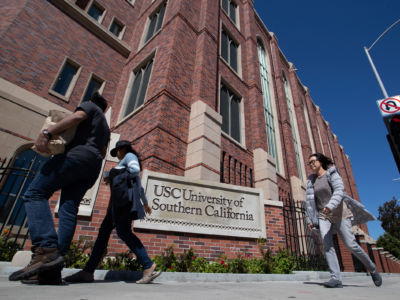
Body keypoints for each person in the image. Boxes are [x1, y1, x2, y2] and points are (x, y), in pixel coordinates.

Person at [9, 92, 110, 284]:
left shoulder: (89, 107)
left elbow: (78, 117)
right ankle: (52, 269)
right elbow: (104, 152)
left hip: (74, 157)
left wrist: (47, 133)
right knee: (68, 210)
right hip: (92, 168)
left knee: (35, 193)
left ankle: (45, 249)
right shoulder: (105, 127)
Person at [64, 140, 161, 284]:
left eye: (117, 152)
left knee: (122, 233)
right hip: (116, 205)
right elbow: (139, 187)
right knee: (105, 234)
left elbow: (134, 170)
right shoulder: (126, 160)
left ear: (122, 149)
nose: (117, 155)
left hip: (121, 205)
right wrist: (145, 203)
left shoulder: (129, 157)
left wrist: (116, 175)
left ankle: (147, 265)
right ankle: (88, 271)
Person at [305, 153, 382, 288]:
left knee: (350, 244)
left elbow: (340, 190)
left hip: (340, 212)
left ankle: (372, 268)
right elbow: (310, 203)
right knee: (327, 244)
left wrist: (330, 205)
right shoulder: (311, 181)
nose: (311, 164)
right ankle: (336, 278)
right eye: (309, 163)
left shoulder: (332, 174)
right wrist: (311, 219)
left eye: (312, 161)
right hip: (324, 215)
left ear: (320, 161)